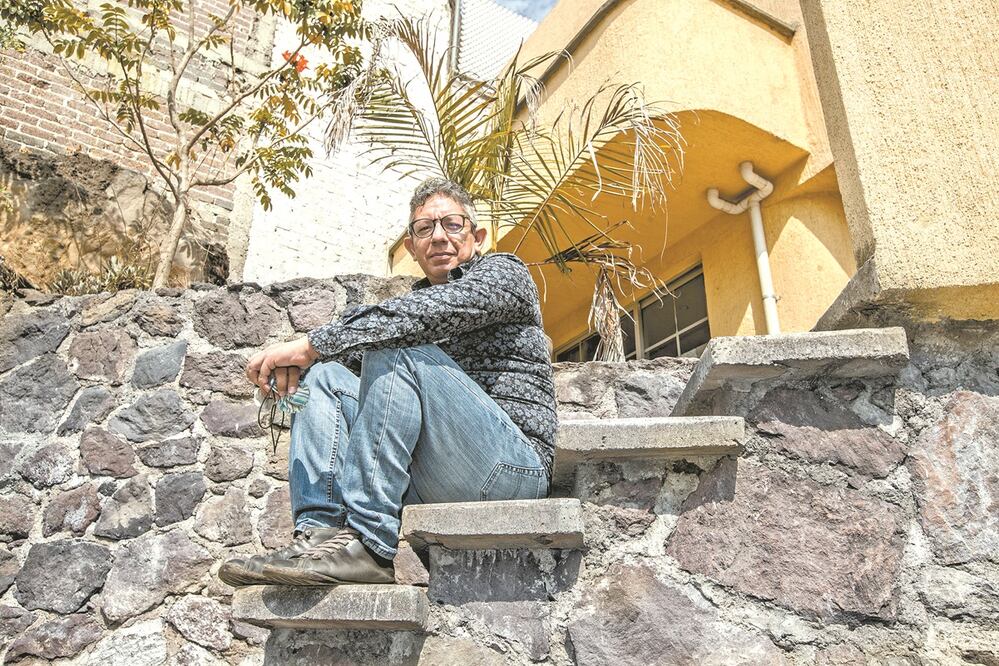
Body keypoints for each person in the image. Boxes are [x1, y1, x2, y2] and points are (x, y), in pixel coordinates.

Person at [219, 178, 558, 586]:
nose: (438, 237)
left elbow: (421, 317)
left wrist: (310, 345)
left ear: (477, 235)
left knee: (389, 342)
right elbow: (348, 352)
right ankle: (320, 536)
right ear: (411, 248)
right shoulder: (408, 310)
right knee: (325, 376)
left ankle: (369, 543)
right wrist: (300, 366)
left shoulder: (504, 274)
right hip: (437, 474)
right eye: (423, 229)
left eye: (451, 224)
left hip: (511, 468)